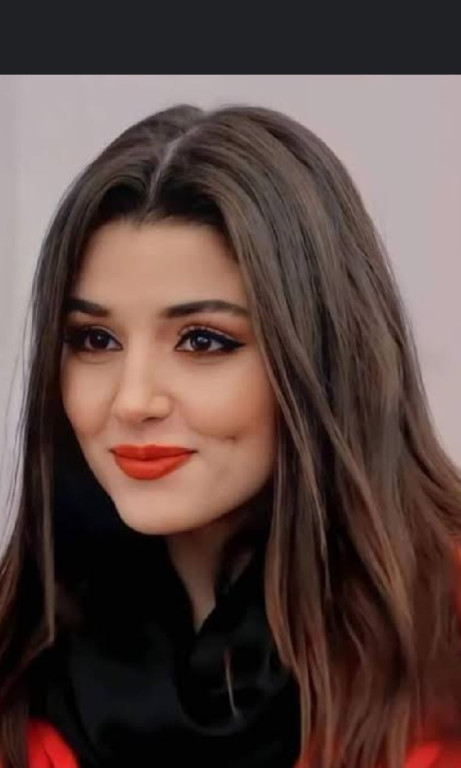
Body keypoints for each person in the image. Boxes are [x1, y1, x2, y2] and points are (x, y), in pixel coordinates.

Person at [1, 104, 461, 768]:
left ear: (325, 359)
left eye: (202, 341)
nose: (132, 401)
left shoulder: (440, 643)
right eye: (95, 339)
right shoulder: (21, 658)